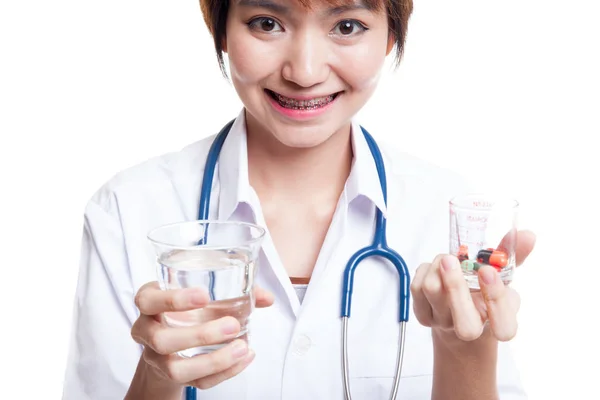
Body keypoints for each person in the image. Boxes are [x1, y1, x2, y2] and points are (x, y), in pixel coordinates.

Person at [62, 0, 537, 399]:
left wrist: (463, 349)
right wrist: (158, 375)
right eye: (267, 23)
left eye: (347, 26)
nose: (304, 72)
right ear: (220, 29)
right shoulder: (126, 211)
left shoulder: (447, 213)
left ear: (390, 37)